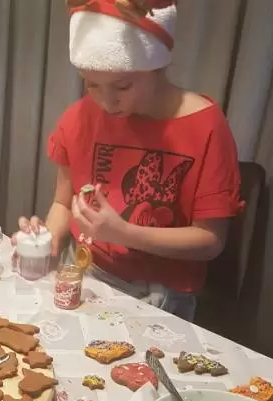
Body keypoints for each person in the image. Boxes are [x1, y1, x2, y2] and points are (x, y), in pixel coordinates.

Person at [16, 0, 242, 321]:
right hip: (84, 272)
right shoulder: (78, 118)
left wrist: (124, 233)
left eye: (122, 86)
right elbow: (63, 203)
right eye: (91, 84)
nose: (107, 102)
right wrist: (45, 240)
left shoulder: (206, 127)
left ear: (157, 66)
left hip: (159, 295)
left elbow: (210, 241)